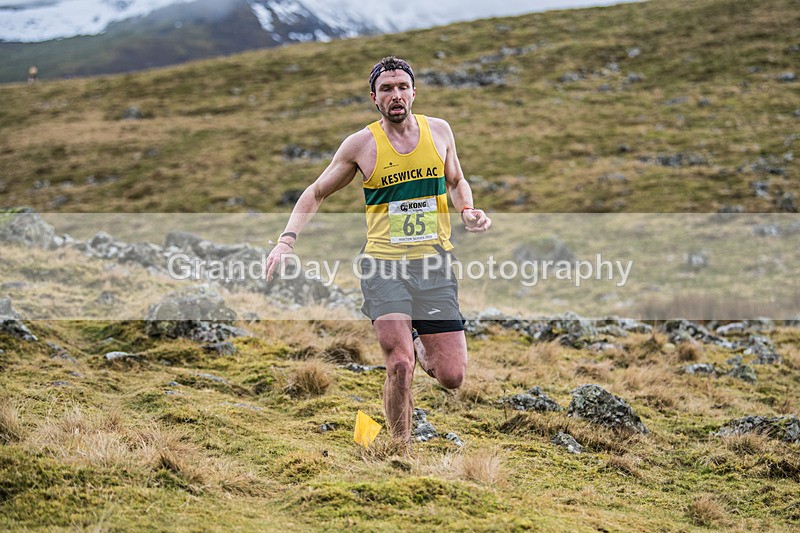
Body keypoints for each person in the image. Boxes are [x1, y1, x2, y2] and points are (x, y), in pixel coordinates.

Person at [265, 56, 491, 441]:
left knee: (452, 376)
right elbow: (315, 192)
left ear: (414, 92)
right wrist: (287, 241)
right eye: (386, 89)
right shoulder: (361, 145)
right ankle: (398, 450)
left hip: (434, 265)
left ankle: (418, 338)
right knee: (400, 366)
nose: (396, 95)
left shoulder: (440, 132)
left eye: (402, 87)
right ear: (374, 97)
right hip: (383, 267)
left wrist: (467, 210)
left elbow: (456, 180)